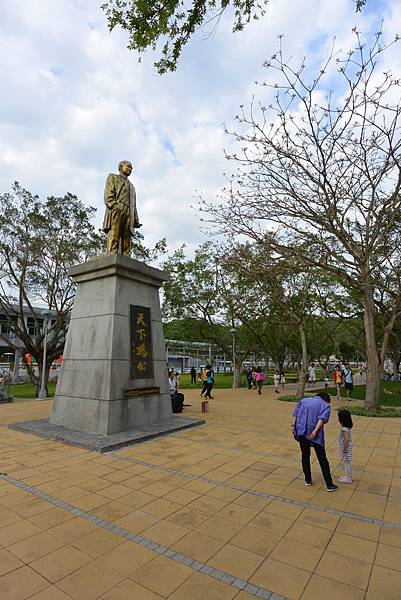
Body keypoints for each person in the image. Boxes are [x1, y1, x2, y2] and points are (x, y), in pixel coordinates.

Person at [292, 392, 337, 491]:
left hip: (301, 431)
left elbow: (296, 414)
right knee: (322, 458)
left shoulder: (304, 401)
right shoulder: (325, 406)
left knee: (305, 455)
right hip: (315, 434)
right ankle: (329, 484)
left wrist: (293, 427)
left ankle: (307, 479)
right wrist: (315, 431)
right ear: (326, 399)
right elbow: (322, 419)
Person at [103, 160, 141, 255]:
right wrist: (114, 205)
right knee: (114, 231)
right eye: (128, 166)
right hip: (117, 207)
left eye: (131, 168)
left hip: (129, 211)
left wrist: (135, 219)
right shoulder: (113, 177)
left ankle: (126, 254)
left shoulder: (132, 186)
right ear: (121, 167)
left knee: (127, 234)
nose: (130, 169)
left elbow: (133, 204)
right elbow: (109, 192)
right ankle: (112, 252)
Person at [338, 409, 353, 484]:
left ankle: (348, 478)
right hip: (347, 448)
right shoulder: (348, 428)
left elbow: (346, 439)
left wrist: (345, 449)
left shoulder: (344, 429)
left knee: (347, 463)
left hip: (345, 448)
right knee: (347, 463)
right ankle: (347, 476)